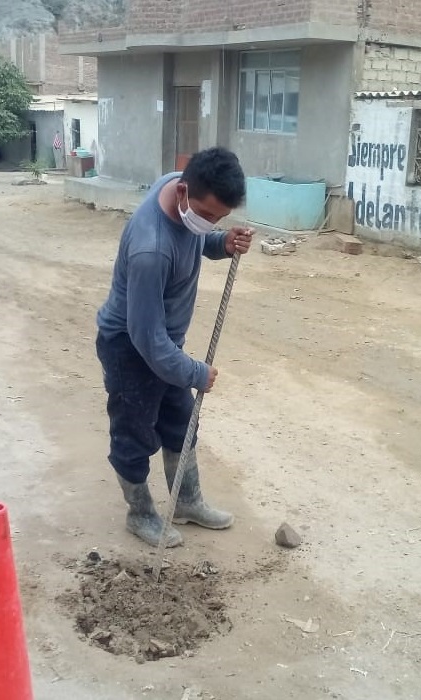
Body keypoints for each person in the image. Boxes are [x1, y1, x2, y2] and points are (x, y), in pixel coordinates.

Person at [95, 147, 254, 548]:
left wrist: (221, 242)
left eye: (220, 217)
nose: (211, 222)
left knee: (181, 421)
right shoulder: (151, 249)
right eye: (208, 215)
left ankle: (186, 500)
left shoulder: (178, 189)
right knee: (134, 433)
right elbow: (146, 339)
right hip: (131, 348)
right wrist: (196, 372)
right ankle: (141, 513)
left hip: (164, 343)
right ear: (183, 192)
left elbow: (195, 237)